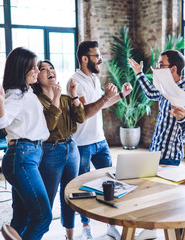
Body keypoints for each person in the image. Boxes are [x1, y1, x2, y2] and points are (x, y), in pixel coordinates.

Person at [66, 41, 132, 240]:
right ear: (85, 59)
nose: (100, 60)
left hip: (100, 141)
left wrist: (121, 95)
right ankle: (86, 227)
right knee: (83, 189)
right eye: (96, 56)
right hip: (82, 143)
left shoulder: (94, 78)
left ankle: (111, 224)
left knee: (110, 183)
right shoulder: (74, 82)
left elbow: (101, 105)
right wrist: (105, 96)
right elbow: (85, 113)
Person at [128, 50, 185, 240]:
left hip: (170, 157)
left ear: (173, 69)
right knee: (153, 195)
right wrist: (139, 73)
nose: (156, 68)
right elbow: (150, 93)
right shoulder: (166, 88)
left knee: (170, 203)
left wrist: (183, 118)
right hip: (155, 153)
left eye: (160, 65)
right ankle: (151, 230)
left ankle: (184, 237)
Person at [0, 47, 52, 240]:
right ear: (21, 69)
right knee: (43, 217)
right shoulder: (15, 95)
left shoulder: (26, 92)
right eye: (32, 67)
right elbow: (1, 121)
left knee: (22, 218)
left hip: (27, 156)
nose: (37, 71)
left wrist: (0, 98)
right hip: (23, 157)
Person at [32, 60, 85, 240]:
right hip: (50, 152)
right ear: (37, 78)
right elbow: (48, 126)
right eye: (43, 69)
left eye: (51, 67)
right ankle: (36, 235)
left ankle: (70, 237)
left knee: (69, 196)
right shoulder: (36, 101)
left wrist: (74, 95)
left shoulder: (65, 98)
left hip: (72, 149)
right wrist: (55, 97)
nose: (49, 71)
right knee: (47, 198)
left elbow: (81, 118)